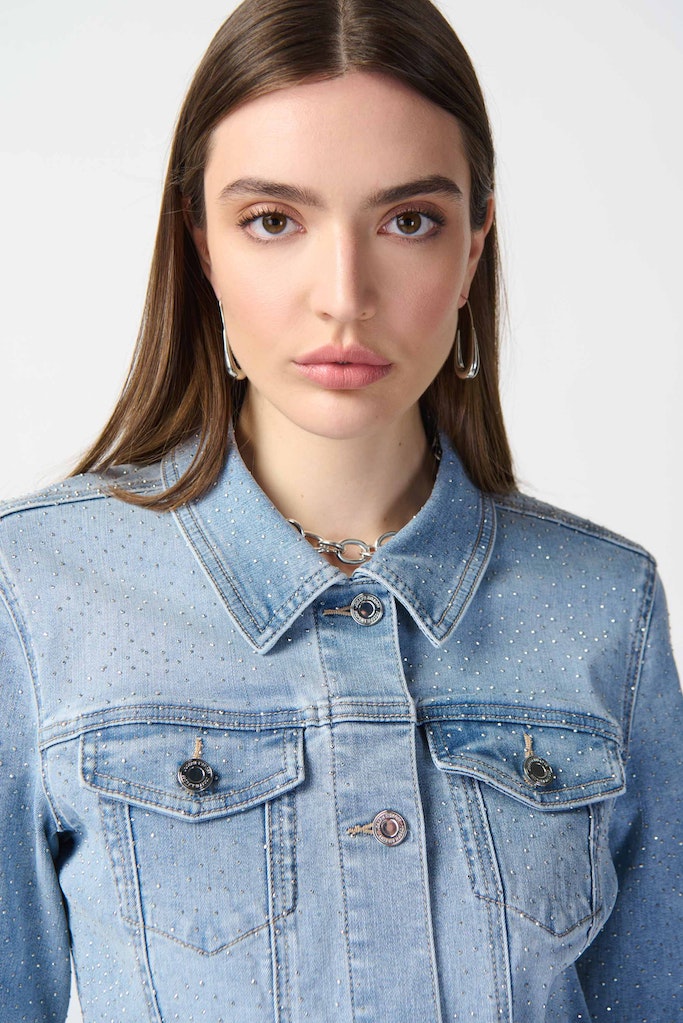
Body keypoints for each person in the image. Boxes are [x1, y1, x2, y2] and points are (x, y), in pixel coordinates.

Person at [0, 0, 680, 1020]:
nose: (343, 295)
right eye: (273, 221)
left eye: (408, 221)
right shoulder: (36, 591)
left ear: (473, 244)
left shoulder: (603, 607)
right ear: (201, 245)